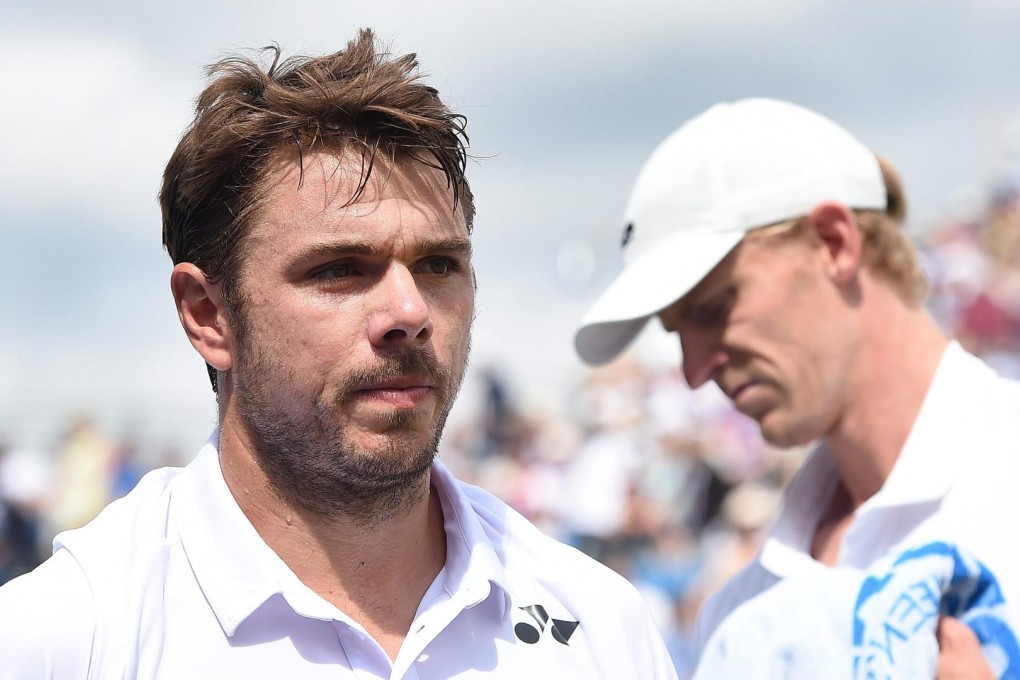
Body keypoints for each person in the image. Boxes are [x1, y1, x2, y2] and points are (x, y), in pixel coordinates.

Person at [0, 30, 678, 678]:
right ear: (209, 316)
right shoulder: (69, 636)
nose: (409, 313)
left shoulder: (597, 621)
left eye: (439, 263)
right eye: (339, 269)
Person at [575, 98, 1020, 677]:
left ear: (835, 243)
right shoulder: (737, 621)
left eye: (714, 307)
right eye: (677, 332)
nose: (695, 369)